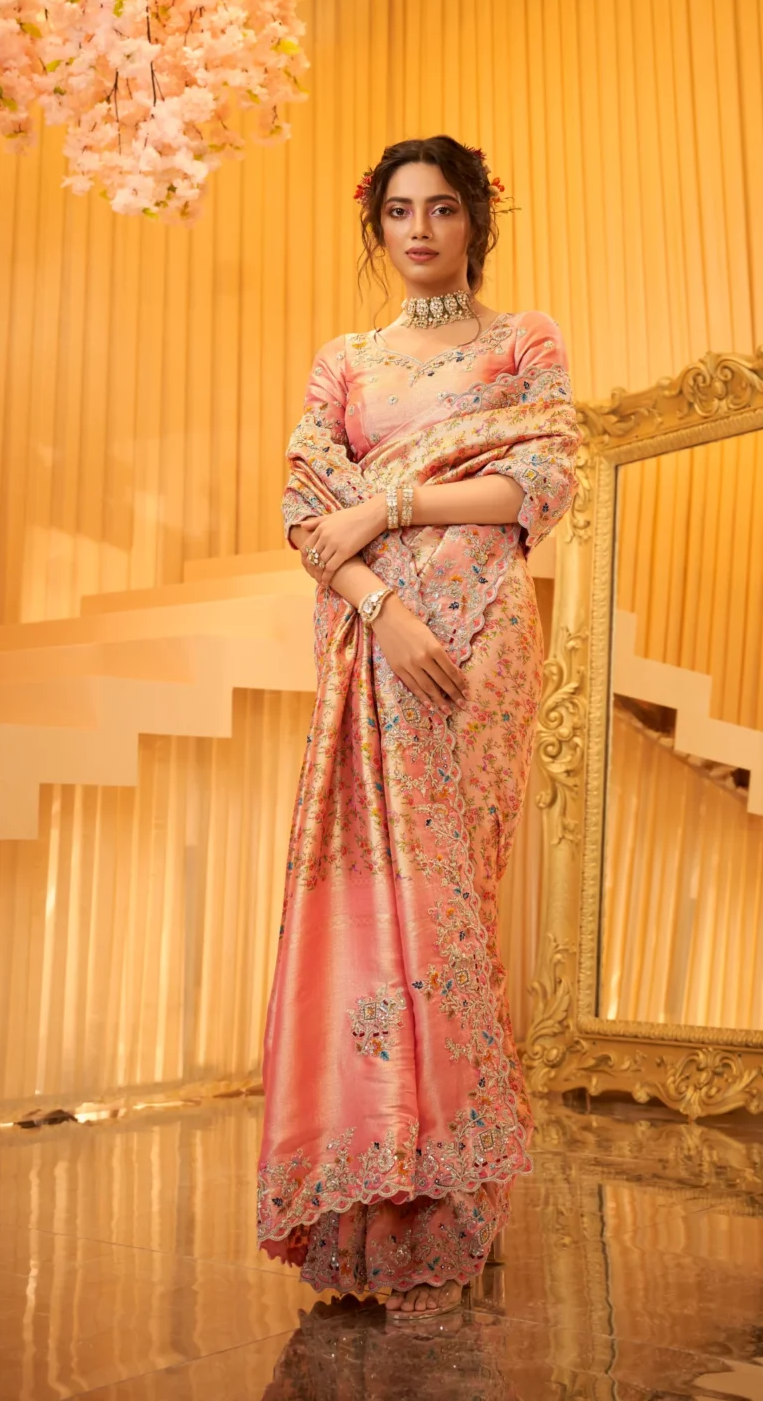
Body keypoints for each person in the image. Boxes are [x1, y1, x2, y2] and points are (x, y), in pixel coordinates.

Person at [256, 135, 578, 1320]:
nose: (422, 230)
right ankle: (372, 1193)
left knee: (450, 909)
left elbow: (543, 481)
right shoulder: (344, 363)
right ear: (376, 228)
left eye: (445, 209)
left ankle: (455, 1190)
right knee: (369, 921)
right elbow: (302, 510)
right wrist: (379, 605)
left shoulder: (521, 342)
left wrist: (387, 504)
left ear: (478, 221)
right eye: (401, 211)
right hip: (379, 654)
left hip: (480, 644)